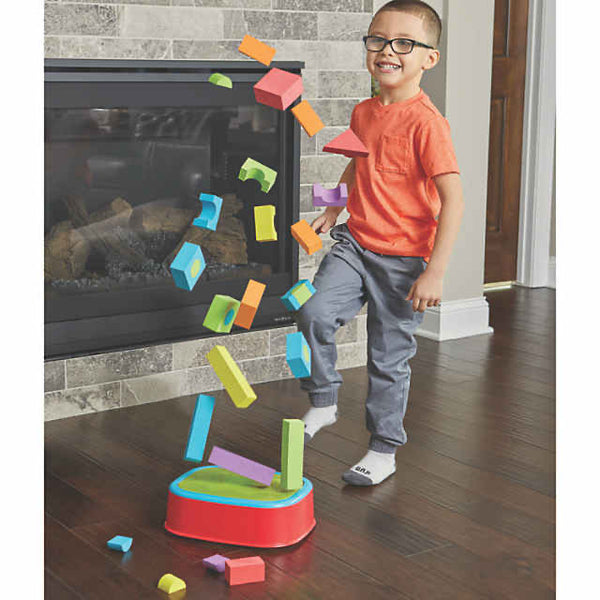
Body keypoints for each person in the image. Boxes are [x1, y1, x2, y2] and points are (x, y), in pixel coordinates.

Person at [296, 0, 464, 486]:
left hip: (405, 261)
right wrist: (332, 208)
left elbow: (454, 201)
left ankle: (383, 449)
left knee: (388, 359)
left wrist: (435, 272)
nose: (388, 51)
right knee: (313, 312)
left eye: (403, 43)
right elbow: (354, 163)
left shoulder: (427, 123)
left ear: (429, 58)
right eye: (378, 40)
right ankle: (324, 400)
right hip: (356, 244)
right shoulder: (364, 111)